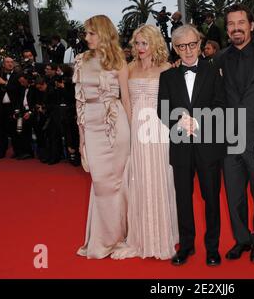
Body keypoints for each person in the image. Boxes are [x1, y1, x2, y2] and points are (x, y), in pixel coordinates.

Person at [214, 4, 254, 263]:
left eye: (241, 22)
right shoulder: (218, 59)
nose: (236, 28)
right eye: (231, 24)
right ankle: (241, 239)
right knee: (233, 193)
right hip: (229, 138)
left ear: (252, 25)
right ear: (227, 29)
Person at [157, 24, 226, 266]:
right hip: (181, 147)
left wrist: (199, 120)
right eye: (181, 46)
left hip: (208, 146)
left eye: (192, 44)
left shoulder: (213, 70)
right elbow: (162, 110)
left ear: (200, 44)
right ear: (175, 48)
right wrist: (179, 121)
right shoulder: (167, 77)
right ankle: (186, 246)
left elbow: (221, 105)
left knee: (212, 199)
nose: (187, 50)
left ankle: (212, 247)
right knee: (183, 199)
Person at [111, 25, 179, 261]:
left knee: (160, 177)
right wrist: (131, 130)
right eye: (137, 43)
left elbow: (174, 103)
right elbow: (126, 102)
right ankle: (142, 236)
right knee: (139, 179)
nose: (140, 48)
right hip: (137, 129)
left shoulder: (167, 68)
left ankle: (162, 235)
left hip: (159, 128)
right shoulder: (128, 69)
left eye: (144, 43)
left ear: (155, 44)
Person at [75, 15, 131, 259]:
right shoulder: (80, 61)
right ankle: (104, 237)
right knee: (100, 184)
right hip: (92, 124)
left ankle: (115, 238)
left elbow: (127, 100)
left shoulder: (119, 61)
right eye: (86, 33)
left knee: (116, 183)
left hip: (116, 125)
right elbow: (78, 102)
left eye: (91, 33)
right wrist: (81, 140)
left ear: (104, 33)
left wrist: (135, 133)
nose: (86, 38)